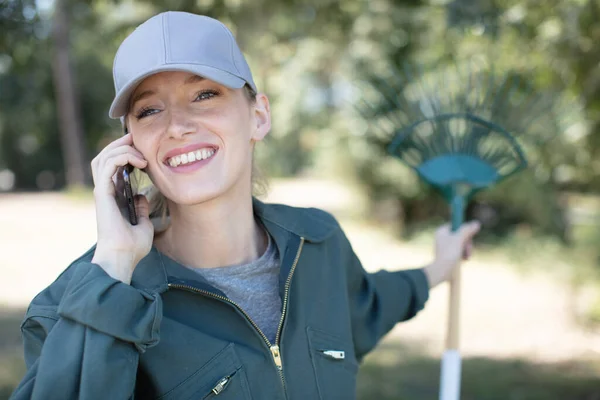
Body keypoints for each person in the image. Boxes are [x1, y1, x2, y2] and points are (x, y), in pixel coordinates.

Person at [10, 11, 480, 400]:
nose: (177, 126)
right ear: (130, 144)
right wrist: (113, 267)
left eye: (205, 94)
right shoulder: (74, 305)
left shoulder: (317, 244)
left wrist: (439, 265)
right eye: (150, 109)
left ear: (258, 116)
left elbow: (369, 306)